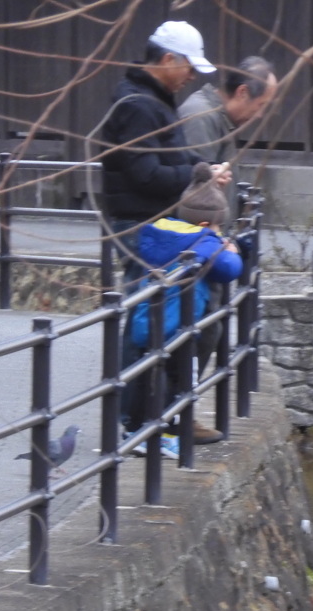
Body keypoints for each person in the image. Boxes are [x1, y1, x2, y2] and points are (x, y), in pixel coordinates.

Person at [98, 20, 230, 449]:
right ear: (168, 59)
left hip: (149, 223)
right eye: (189, 66)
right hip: (140, 224)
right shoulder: (139, 105)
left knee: (155, 317)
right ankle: (134, 421)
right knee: (145, 321)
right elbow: (146, 173)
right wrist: (197, 176)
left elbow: (173, 156)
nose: (192, 76)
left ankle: (153, 416)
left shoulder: (152, 100)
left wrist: (204, 171)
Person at [126, 162, 243, 449]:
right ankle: (163, 434)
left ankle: (138, 430)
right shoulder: (202, 241)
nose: (219, 232)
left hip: (151, 317)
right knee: (175, 377)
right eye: (218, 225)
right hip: (179, 322)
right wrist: (231, 249)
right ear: (205, 223)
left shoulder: (163, 231)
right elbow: (228, 268)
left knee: (150, 373)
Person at [178, 56, 277, 385]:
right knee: (202, 326)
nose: (261, 114)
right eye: (262, 103)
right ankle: (177, 412)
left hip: (211, 243)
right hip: (199, 246)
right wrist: (217, 236)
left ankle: (180, 411)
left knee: (211, 325)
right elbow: (195, 193)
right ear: (243, 92)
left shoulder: (218, 120)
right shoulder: (201, 118)